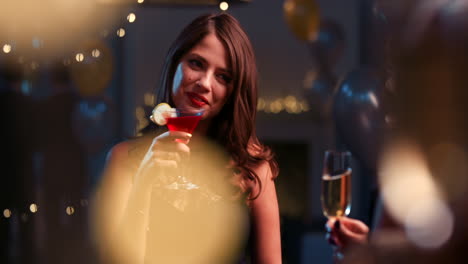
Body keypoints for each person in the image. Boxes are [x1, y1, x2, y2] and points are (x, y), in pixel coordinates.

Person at [92, 13, 281, 264]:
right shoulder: (122, 159)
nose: (204, 83)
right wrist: (144, 181)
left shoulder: (254, 170)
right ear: (175, 65)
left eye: (223, 77)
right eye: (196, 64)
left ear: (233, 92)